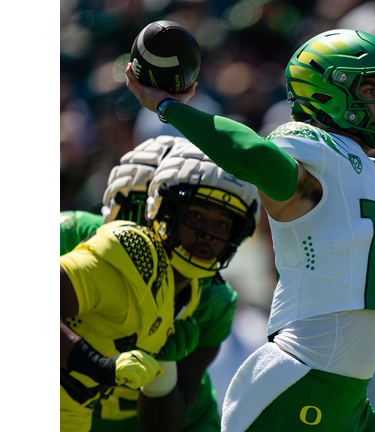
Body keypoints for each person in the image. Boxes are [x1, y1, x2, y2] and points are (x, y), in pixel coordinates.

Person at [125, 28, 375, 432]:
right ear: (326, 92)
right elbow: (252, 156)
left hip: (349, 401)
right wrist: (170, 109)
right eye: (371, 88)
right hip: (297, 385)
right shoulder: (313, 150)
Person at [60, 138, 261, 432]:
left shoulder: (210, 295)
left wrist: (164, 365)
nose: (144, 236)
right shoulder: (73, 234)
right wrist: (88, 362)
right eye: (193, 214)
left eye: (221, 223)